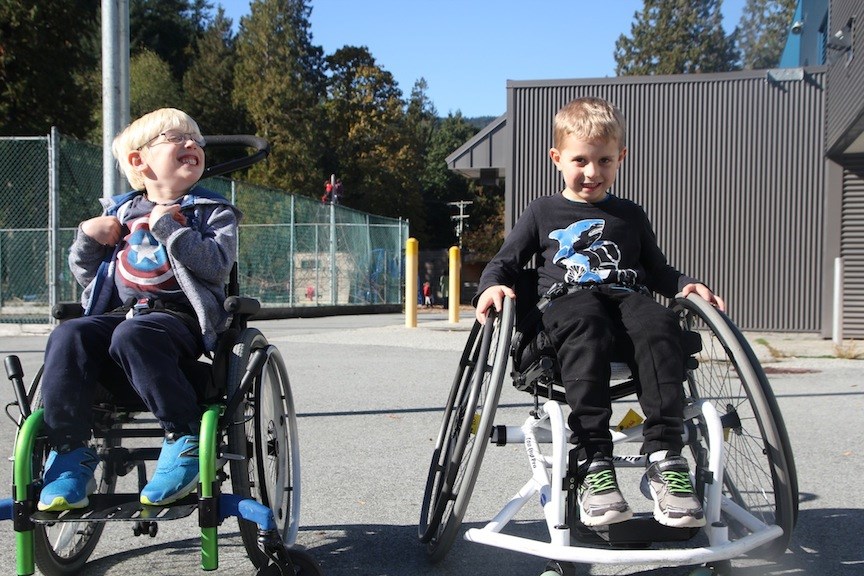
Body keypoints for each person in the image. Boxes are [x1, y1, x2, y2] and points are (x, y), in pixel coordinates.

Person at [474, 97, 725, 529]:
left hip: (625, 300)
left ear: (620, 158)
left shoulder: (630, 214)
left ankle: (665, 457)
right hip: (567, 304)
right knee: (585, 319)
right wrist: (491, 285)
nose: (592, 172)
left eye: (604, 160)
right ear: (557, 159)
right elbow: (507, 263)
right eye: (580, 160)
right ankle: (593, 458)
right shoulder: (542, 211)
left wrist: (685, 284)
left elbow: (658, 269)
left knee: (660, 323)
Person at [36, 108, 242, 511]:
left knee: (135, 334)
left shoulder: (213, 211)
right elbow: (87, 276)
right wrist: (87, 238)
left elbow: (217, 266)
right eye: (175, 138)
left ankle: (182, 437)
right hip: (122, 312)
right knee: (69, 334)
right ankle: (69, 454)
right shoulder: (119, 211)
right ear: (138, 161)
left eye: (196, 141)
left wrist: (171, 229)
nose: (192, 145)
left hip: (177, 316)